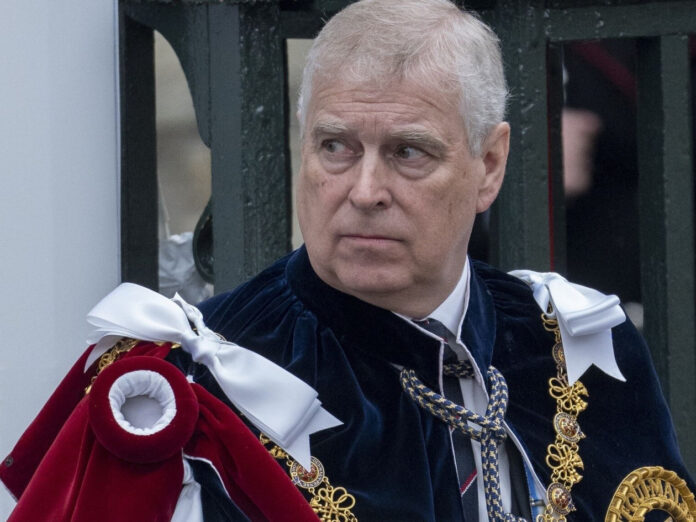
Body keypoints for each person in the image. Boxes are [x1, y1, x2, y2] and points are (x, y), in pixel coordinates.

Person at [1, 1, 692, 521]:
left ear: (489, 165)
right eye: (336, 147)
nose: (364, 192)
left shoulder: (579, 343)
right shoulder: (187, 392)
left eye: (408, 152)